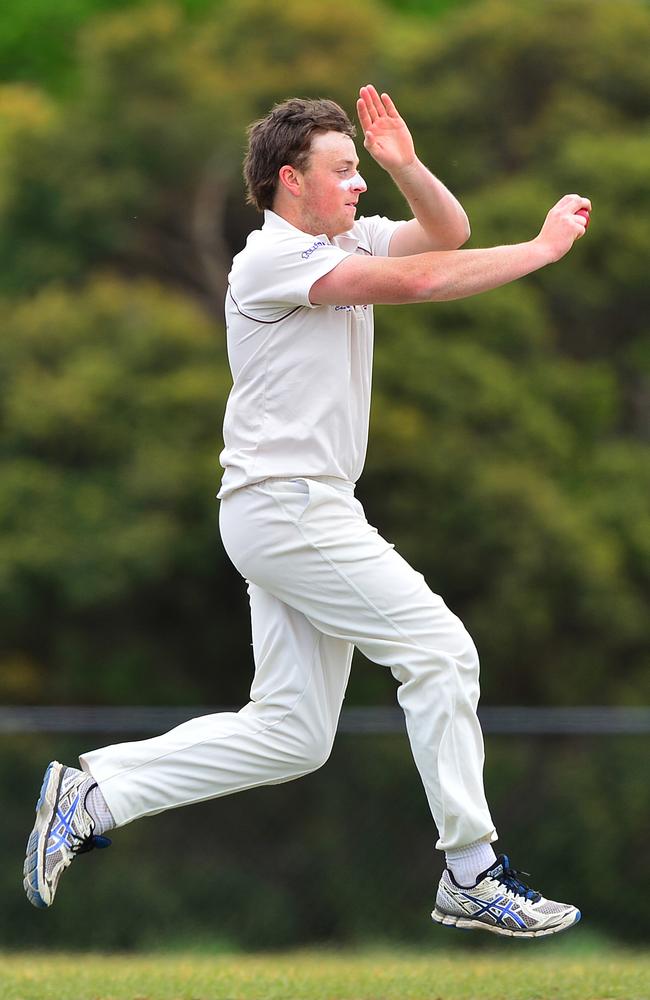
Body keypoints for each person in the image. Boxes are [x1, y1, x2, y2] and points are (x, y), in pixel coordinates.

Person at [24, 84, 590, 938]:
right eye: (345, 170)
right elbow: (430, 277)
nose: (359, 185)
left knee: (291, 736)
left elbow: (446, 234)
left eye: (361, 170)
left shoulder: (343, 236)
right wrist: (542, 251)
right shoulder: (273, 260)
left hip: (293, 509)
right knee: (439, 651)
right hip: (289, 506)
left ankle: (98, 796)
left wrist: (406, 164)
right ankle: (473, 871)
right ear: (292, 180)